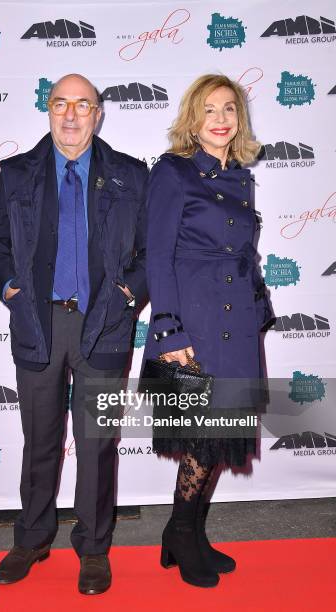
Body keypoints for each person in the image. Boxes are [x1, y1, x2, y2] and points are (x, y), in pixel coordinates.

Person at [0, 73, 148, 594]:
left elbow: (150, 251)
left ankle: (94, 548)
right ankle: (31, 538)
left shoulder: (131, 175)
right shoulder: (16, 174)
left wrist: (126, 297)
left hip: (104, 325)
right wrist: (10, 289)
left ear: (99, 114)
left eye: (82, 105)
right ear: (48, 111)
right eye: (60, 104)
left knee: (96, 443)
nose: (70, 115)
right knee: (40, 441)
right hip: (38, 322)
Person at [142, 74, 272, 588]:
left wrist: (259, 302)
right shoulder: (173, 173)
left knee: (219, 440)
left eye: (230, 110)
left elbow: (243, 250)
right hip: (193, 322)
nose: (221, 119)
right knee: (201, 437)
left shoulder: (241, 174)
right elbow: (158, 255)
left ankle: (192, 535)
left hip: (236, 322)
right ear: (192, 119)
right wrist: (169, 331)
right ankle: (179, 531)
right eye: (210, 110)